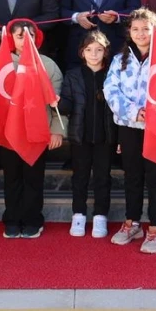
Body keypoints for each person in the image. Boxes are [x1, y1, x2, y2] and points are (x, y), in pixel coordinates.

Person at [105, 9, 156, 254]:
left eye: (146, 28)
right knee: (132, 177)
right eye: (135, 29)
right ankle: (132, 222)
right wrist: (134, 112)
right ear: (129, 32)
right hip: (129, 128)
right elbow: (111, 90)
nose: (141, 33)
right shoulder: (119, 59)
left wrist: (155, 113)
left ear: (155, 30)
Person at [0, 20, 64, 239]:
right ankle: (12, 219)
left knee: (33, 178)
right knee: (11, 178)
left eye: (30, 35)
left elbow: (57, 103)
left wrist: (57, 130)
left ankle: (32, 219)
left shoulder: (48, 65)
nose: (25, 40)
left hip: (37, 132)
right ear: (12, 39)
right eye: (20, 36)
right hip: (8, 133)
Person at [61, 31, 114, 239]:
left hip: (106, 135)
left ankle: (101, 216)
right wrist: (58, 101)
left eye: (99, 50)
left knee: (103, 177)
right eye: (89, 50)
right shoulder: (73, 75)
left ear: (105, 52)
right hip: (80, 135)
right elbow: (66, 105)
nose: (94, 54)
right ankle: (79, 214)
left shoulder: (112, 73)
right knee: (80, 176)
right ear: (82, 52)